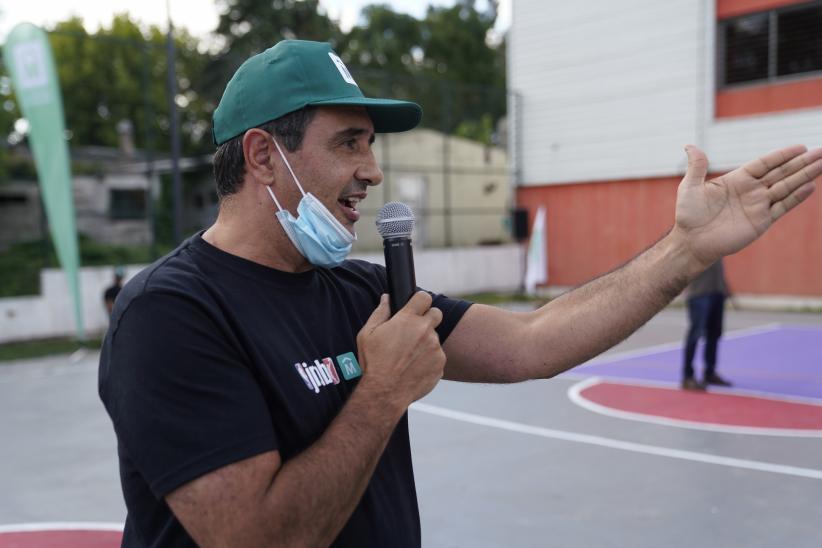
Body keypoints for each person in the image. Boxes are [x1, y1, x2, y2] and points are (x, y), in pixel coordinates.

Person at [98, 39, 821, 548]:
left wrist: (685, 250)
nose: (373, 170)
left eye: (370, 145)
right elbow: (256, 540)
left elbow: (535, 343)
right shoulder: (171, 315)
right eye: (350, 142)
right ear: (264, 155)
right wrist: (380, 395)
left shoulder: (359, 290)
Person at [681, 259, 732, 390]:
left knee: (714, 334)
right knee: (695, 334)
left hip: (717, 292)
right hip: (700, 294)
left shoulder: (718, 242)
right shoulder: (695, 239)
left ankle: (709, 372)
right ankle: (687, 377)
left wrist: (725, 287)